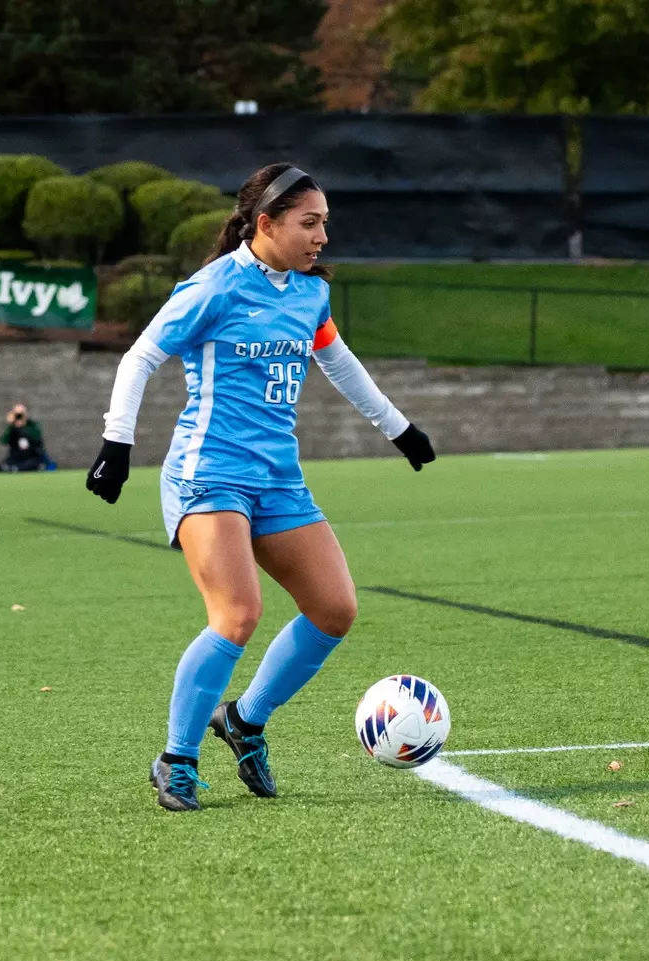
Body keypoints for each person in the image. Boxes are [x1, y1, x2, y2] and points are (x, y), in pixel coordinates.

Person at [85, 163, 436, 812]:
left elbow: (339, 362)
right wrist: (117, 443)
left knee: (334, 609)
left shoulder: (308, 294)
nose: (322, 236)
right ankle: (177, 759)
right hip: (208, 473)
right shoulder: (213, 288)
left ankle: (244, 721)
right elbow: (140, 357)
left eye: (325, 223)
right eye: (310, 223)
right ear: (266, 224)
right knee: (238, 614)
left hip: (277, 479)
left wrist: (399, 429)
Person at [0, 404, 52, 471]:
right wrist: (10, 425)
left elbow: (37, 437)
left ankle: (15, 468)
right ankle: (12, 468)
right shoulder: (12, 428)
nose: (19, 417)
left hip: (31, 457)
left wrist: (23, 426)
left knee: (33, 464)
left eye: (21, 414)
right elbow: (3, 441)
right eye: (17, 414)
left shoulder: (32, 425)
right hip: (16, 458)